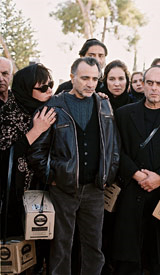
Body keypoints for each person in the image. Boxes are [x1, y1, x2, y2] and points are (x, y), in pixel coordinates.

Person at [28, 57, 120, 275]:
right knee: (61, 247)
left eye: (95, 79)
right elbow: (36, 151)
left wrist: (109, 174)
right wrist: (53, 177)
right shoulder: (54, 106)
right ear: (72, 78)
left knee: (93, 248)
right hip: (63, 189)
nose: (90, 83)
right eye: (85, 78)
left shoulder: (104, 104)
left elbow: (113, 145)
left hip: (95, 189)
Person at [112, 65, 160, 275]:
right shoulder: (124, 114)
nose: (154, 88)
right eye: (150, 83)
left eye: (159, 84)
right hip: (132, 194)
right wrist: (137, 174)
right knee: (129, 260)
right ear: (142, 85)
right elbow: (117, 150)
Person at [0, 64, 56, 275]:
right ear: (25, 89)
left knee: (41, 249)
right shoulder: (7, 115)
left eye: (51, 85)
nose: (49, 91)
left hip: (44, 193)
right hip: (13, 197)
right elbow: (4, 157)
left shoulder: (50, 111)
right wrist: (35, 131)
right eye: (42, 88)